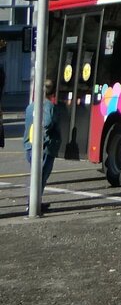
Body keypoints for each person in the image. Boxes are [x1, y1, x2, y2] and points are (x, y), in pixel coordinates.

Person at [23, 79, 61, 215]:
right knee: (41, 177)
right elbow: (47, 123)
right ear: (53, 92)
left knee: (37, 175)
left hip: (30, 145)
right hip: (43, 147)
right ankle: (32, 204)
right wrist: (45, 141)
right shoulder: (49, 107)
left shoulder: (30, 106)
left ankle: (35, 202)